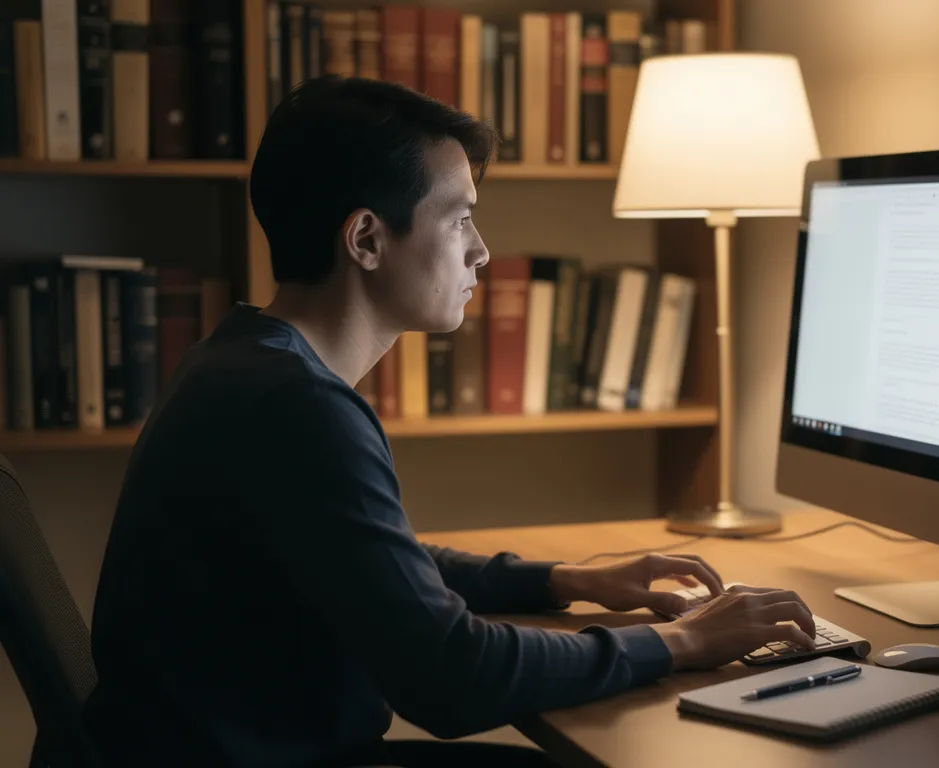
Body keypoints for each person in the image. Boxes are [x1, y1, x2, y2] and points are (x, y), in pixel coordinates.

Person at [82, 75, 817, 768]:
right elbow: (452, 679)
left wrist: (567, 580)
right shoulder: (297, 408)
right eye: (460, 217)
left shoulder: (246, 359)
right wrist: (683, 639)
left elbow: (379, 565)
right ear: (366, 240)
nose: (481, 251)